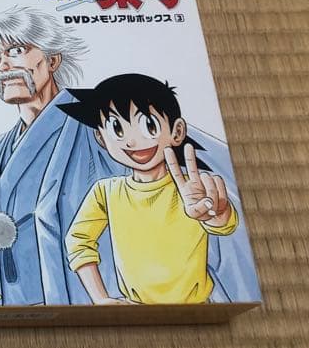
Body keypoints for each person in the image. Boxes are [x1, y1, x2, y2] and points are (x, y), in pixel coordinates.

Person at [0, 6, 123, 305]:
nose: (3, 65)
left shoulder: (95, 123)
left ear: (52, 60)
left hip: (82, 293)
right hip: (17, 297)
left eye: (16, 50)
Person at [60, 74, 238, 304]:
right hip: (135, 309)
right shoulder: (106, 192)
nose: (132, 142)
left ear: (177, 132)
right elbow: (78, 240)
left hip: (197, 308)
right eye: (117, 128)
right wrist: (101, 299)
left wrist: (216, 213)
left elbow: (224, 225)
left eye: (149, 125)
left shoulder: (193, 188)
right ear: (101, 138)